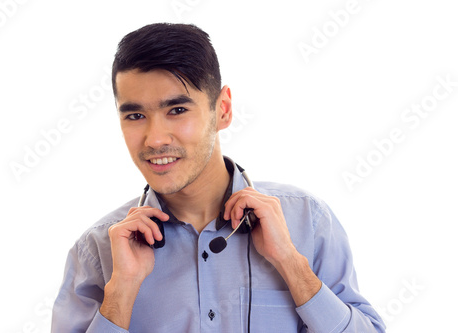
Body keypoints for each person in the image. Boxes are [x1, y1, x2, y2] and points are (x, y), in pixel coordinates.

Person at [52, 23, 385, 332]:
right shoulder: (96, 252)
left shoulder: (308, 221)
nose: (154, 139)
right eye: (136, 115)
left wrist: (291, 264)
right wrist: (121, 293)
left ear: (222, 109)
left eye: (177, 110)